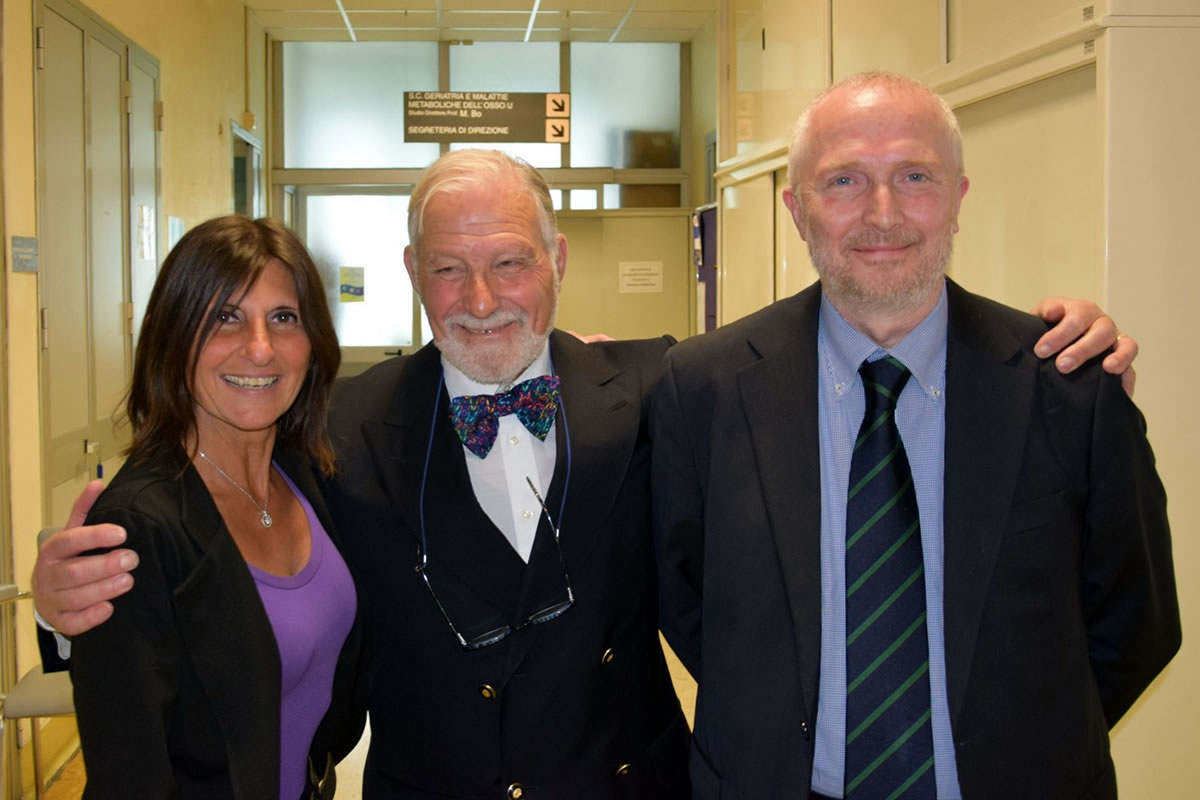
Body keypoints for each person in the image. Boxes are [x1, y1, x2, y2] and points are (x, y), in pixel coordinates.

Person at [34, 150, 1136, 798]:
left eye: (510, 262)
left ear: (557, 261)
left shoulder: (668, 386)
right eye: (450, 269)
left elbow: (849, 343)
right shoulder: (334, 427)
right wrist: (63, 609)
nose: (482, 300)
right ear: (412, 273)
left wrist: (1040, 349)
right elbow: (227, 564)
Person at [651, 72, 1180, 800]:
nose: (883, 213)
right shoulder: (702, 388)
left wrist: (1030, 742)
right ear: (797, 210)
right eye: (844, 180)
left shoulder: (1070, 385)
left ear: (958, 199)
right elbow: (687, 603)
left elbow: (1137, 622)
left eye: (915, 176)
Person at [64, 216, 366, 799]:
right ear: (174, 337)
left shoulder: (305, 474)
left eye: (284, 317)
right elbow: (129, 773)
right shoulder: (140, 526)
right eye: (225, 317)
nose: (260, 348)